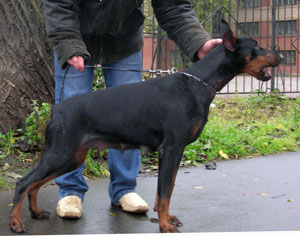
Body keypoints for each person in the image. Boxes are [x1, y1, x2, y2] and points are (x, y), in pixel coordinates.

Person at [43, 0, 222, 218]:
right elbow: (59, 4)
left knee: (133, 116)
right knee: (71, 115)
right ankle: (69, 190)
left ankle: (124, 189)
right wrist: (68, 44)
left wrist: (199, 42)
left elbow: (173, 6)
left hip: (125, 40)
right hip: (74, 35)